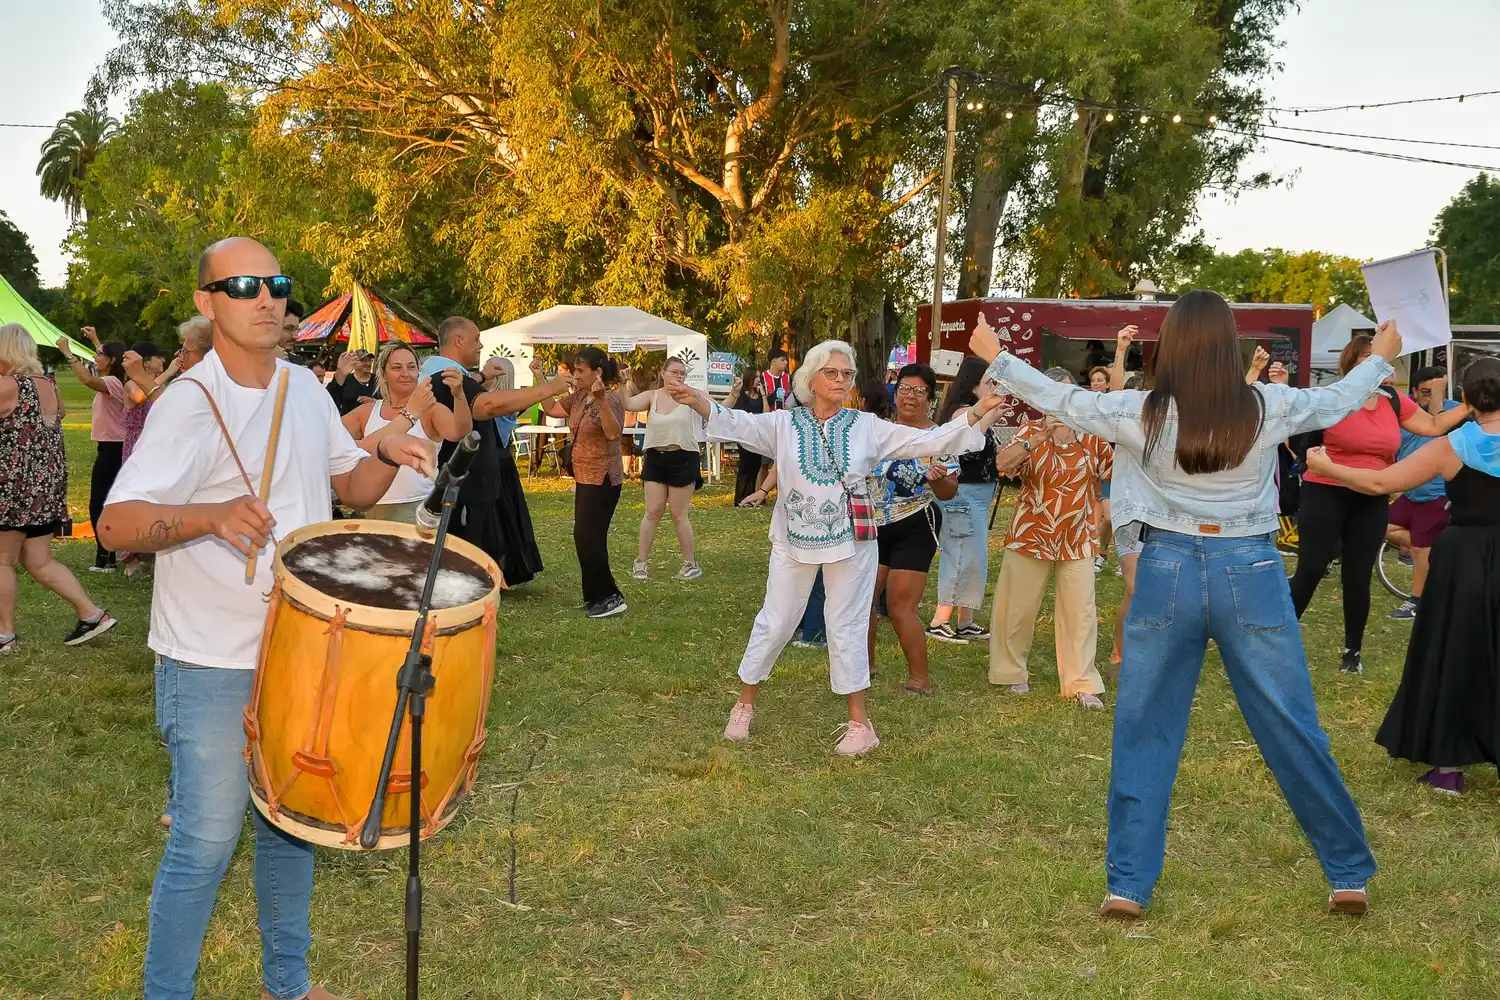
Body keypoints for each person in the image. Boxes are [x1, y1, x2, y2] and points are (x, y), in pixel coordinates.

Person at [971, 291, 1395, 920]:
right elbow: (1336, 400)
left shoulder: (1141, 410)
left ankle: (1127, 887)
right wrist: (1379, 359)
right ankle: (1347, 874)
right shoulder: (1266, 404)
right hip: (1248, 568)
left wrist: (997, 356)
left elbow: (1065, 400)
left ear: (1169, 344)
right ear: (1227, 346)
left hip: (1168, 566)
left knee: (1145, 727)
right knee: (1291, 724)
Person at [98, 237, 436, 1000]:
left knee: (294, 824)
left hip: (304, 647)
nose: (266, 298)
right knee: (207, 839)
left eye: (276, 284)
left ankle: (289, 984)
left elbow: (350, 485)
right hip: (209, 659)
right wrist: (209, 515)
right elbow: (118, 524)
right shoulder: (191, 402)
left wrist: (385, 444)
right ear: (206, 301)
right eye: (243, 284)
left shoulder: (303, 389)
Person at [669, 340, 1008, 755]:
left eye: (847, 374)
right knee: (775, 620)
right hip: (794, 541)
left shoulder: (866, 426)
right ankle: (745, 703)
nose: (842, 380)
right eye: (833, 373)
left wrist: (977, 412)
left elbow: (928, 441)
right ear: (810, 378)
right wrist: (698, 400)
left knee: (846, 623)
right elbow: (738, 424)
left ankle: (860, 725)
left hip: (852, 543)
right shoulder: (784, 424)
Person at [1306, 358, 1500, 797]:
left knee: (1457, 655)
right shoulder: (1452, 443)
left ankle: (1448, 768)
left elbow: (1381, 484)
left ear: (1466, 400)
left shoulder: (1453, 445)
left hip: (1465, 560)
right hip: (1471, 556)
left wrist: (1328, 466)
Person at [1290, 335, 1469, 674]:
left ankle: (1352, 652)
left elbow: (1433, 426)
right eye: (1368, 356)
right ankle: (1277, 641)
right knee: (1310, 571)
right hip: (1325, 491)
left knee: (1358, 576)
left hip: (1372, 496)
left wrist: (1470, 404)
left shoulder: (1391, 399)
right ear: (1352, 363)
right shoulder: (1334, 396)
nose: (1377, 361)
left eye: (1380, 355)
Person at [985, 367, 1111, 709]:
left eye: (1066, 393)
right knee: (1017, 607)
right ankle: (1011, 672)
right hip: (1031, 531)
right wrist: (1034, 441)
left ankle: (1080, 680)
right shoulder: (1030, 430)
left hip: (1078, 534)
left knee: (1080, 610)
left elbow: (1112, 473)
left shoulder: (1092, 436)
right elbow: (1001, 464)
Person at [422, 318, 566, 587]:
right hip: (462, 481)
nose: (480, 345)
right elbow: (486, 406)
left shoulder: (448, 374)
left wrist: (482, 377)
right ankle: (463, 592)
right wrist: (548, 388)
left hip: (464, 479)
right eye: (476, 338)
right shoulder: (447, 375)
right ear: (458, 341)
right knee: (463, 546)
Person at [0, 323, 117, 652]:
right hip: (44, 487)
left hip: (12, 488)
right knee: (39, 561)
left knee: (3, 560)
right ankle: (92, 614)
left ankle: (4, 635)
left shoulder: (9, 385)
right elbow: (61, 413)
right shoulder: (46, 383)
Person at [867, 363, 958, 696]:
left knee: (900, 605)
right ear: (895, 392)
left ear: (930, 399)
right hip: (872, 525)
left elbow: (950, 491)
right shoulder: (879, 432)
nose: (910, 396)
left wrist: (941, 478)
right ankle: (865, 667)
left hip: (916, 523)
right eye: (904, 388)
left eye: (919, 391)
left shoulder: (939, 438)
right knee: (863, 599)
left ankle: (919, 679)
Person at [538, 347, 627, 616]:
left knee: (588, 537)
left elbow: (613, 433)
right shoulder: (578, 398)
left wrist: (599, 399)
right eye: (574, 370)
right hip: (584, 476)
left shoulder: (609, 399)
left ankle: (609, 595)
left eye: (580, 371)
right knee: (588, 538)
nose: (575, 376)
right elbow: (552, 409)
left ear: (597, 373)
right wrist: (540, 378)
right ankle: (597, 595)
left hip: (603, 477)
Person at [341, 342, 471, 522]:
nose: (405, 373)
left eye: (411, 367)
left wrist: (459, 395)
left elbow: (460, 431)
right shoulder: (367, 411)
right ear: (383, 374)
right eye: (396, 367)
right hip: (372, 506)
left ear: (418, 371)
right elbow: (332, 441)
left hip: (417, 505)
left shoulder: (431, 409)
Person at [927, 357, 998, 644]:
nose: (993, 389)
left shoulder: (975, 411)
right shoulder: (961, 413)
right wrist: (991, 414)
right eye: (988, 383)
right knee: (958, 555)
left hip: (978, 495)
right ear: (973, 384)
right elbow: (969, 441)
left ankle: (965, 620)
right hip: (962, 494)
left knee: (974, 557)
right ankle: (939, 620)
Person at [1385, 365, 1461, 620]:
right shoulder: (1405, 414)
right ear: (1415, 392)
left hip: (1438, 495)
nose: (1431, 396)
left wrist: (1439, 398)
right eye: (1427, 392)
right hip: (1410, 493)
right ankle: (1438, 551)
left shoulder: (1453, 411)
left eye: (1437, 390)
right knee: (1380, 526)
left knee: (1420, 548)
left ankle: (1417, 601)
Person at [57, 331, 134, 572]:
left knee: (98, 504)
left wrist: (68, 353)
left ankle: (106, 558)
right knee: (108, 501)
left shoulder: (111, 383)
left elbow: (89, 381)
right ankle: (111, 554)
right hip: (114, 447)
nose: (95, 357)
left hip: (113, 449)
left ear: (111, 360)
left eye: (99, 355)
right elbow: (108, 362)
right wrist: (96, 341)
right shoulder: (116, 379)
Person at [626, 356, 706, 580]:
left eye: (682, 373)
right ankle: (641, 562)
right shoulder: (652, 396)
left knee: (679, 515)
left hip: (683, 457)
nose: (679, 376)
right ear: (663, 373)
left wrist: (735, 394)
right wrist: (623, 384)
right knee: (652, 511)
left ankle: (690, 564)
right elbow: (628, 404)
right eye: (675, 372)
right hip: (655, 458)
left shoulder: (690, 396)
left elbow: (717, 408)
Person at [118, 341, 179, 577]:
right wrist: (170, 372)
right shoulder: (131, 384)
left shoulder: (162, 384)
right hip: (137, 447)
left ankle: (153, 556)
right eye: (157, 358)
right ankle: (130, 559)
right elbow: (141, 397)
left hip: (157, 445)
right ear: (145, 362)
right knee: (136, 500)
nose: (162, 362)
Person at [728, 365, 767, 505]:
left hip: (757, 435)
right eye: (756, 376)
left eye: (759, 377)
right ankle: (740, 498)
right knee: (745, 465)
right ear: (749, 378)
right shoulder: (742, 395)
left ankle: (753, 496)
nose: (758, 379)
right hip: (744, 435)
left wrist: (763, 394)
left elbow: (766, 413)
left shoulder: (760, 395)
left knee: (755, 465)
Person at [325, 348, 378, 415]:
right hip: (349, 421)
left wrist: (375, 402)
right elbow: (330, 397)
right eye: (363, 360)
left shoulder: (378, 380)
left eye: (369, 360)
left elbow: (390, 401)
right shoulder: (345, 379)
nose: (368, 363)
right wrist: (340, 373)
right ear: (354, 362)